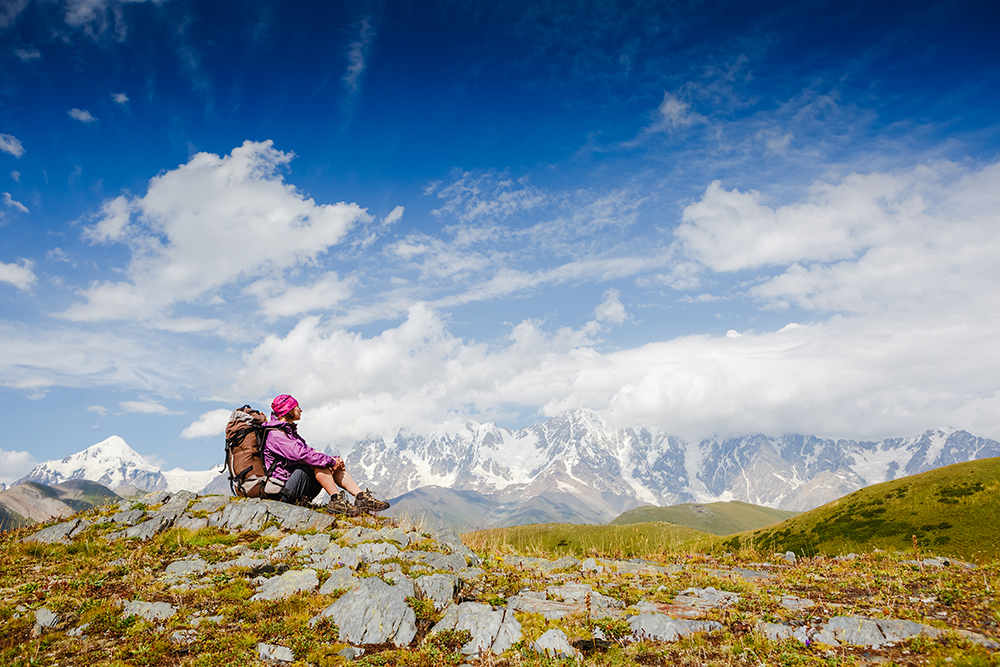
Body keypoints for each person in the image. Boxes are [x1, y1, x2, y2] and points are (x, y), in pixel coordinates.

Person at [263, 394, 390, 516]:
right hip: (283, 492)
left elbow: (310, 451)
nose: (301, 410)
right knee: (316, 462)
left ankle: (361, 497)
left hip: (296, 487)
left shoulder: (288, 433)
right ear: (288, 410)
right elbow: (302, 455)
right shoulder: (276, 435)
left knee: (322, 461)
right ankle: (336, 500)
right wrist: (329, 461)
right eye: (297, 407)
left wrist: (334, 460)